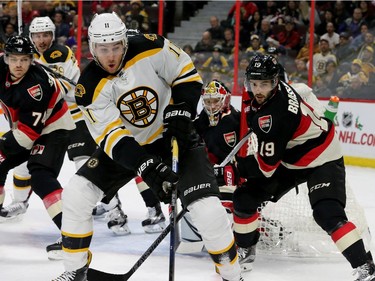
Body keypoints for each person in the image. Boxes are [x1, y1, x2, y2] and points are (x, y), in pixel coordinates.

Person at [53, 12, 243, 281]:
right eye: (103, 49)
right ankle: (75, 270)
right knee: (76, 194)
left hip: (176, 139)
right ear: (92, 48)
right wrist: (144, 164)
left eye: (116, 47)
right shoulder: (89, 86)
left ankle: (232, 276)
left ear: (125, 42)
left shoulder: (151, 46)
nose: (111, 56)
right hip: (131, 146)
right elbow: (112, 137)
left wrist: (182, 109)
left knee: (208, 212)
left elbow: (185, 74)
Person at [232, 54, 375, 280]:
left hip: (322, 157)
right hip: (291, 157)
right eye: (254, 83)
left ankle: (366, 267)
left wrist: (239, 165)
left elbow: (267, 168)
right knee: (244, 199)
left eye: (265, 84)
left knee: (328, 214)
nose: (258, 90)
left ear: (276, 82)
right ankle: (246, 251)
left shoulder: (276, 116)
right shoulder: (262, 94)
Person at [0, 35, 75, 258]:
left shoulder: (35, 86)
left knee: (41, 176)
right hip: (27, 128)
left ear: (32, 60)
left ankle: (72, 237)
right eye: (14, 59)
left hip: (53, 129)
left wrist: (3, 145)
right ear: (6, 58)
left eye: (24, 59)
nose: (18, 64)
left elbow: (27, 136)